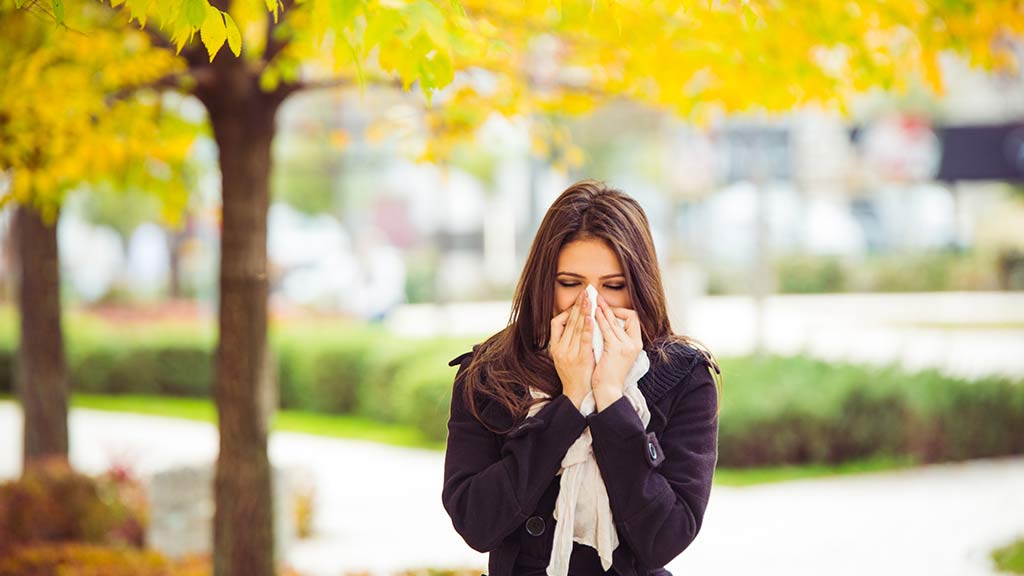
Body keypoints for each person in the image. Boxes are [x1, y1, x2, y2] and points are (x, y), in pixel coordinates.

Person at [441, 179, 722, 576]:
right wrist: (569, 404)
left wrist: (609, 398)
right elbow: (476, 523)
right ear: (544, 285)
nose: (590, 303)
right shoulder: (490, 374)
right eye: (570, 284)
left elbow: (666, 537)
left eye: (614, 286)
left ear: (639, 288)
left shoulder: (681, 377)